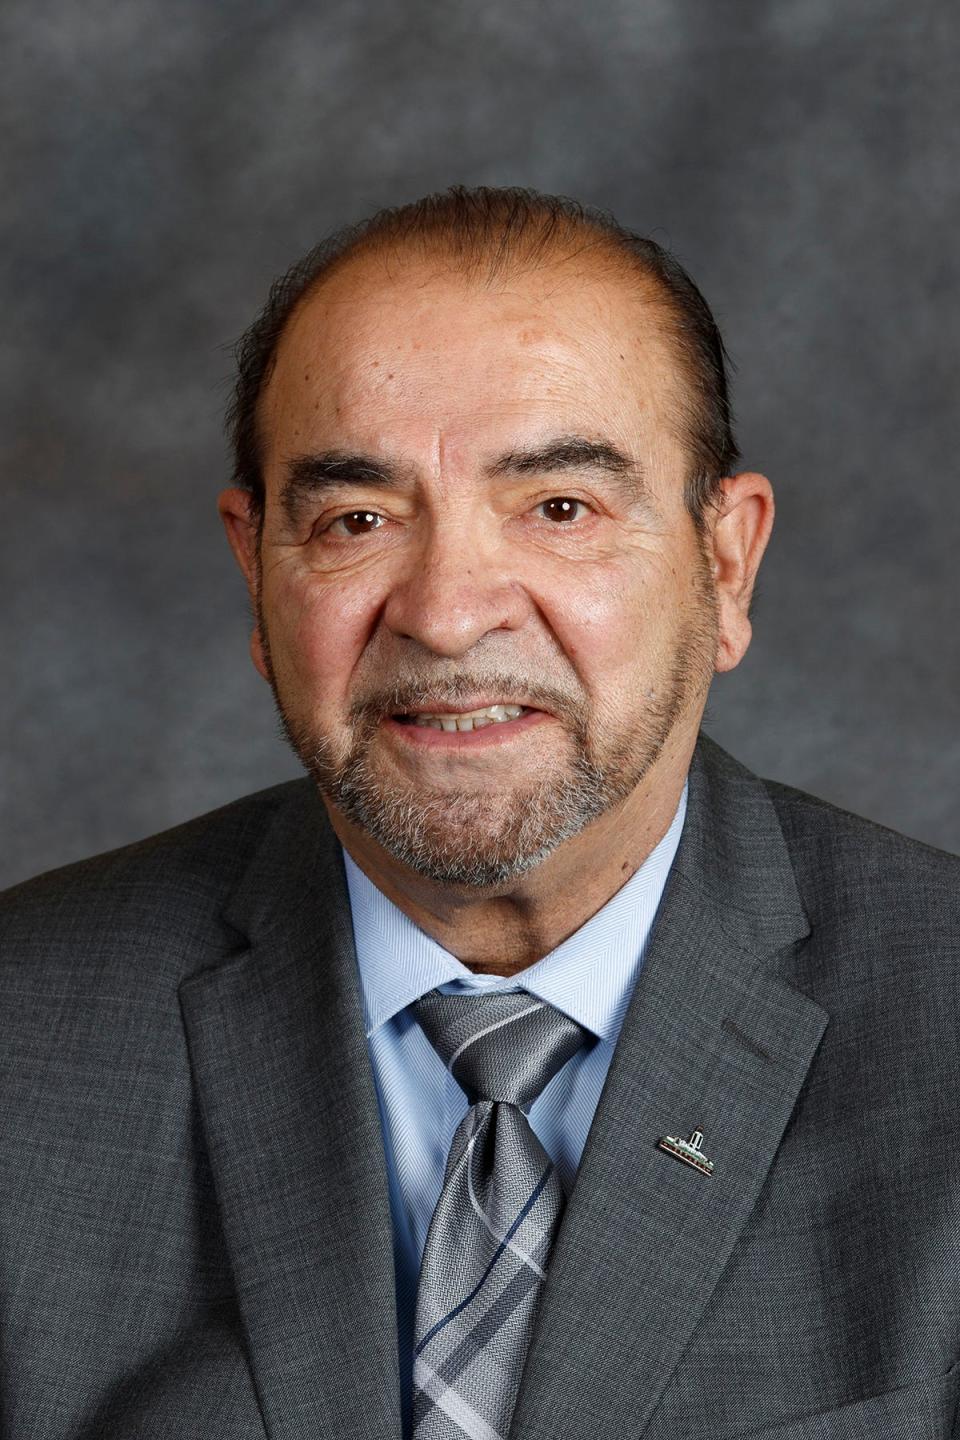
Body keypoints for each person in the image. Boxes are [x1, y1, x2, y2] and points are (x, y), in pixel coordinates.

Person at [2, 186, 958, 1440]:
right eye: (358, 520)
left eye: (560, 508)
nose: (448, 613)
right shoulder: (26, 1051)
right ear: (257, 575)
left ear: (724, 563)